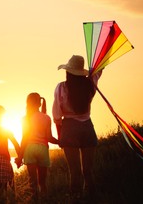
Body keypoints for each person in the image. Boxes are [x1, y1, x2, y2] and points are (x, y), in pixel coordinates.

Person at [52, 55, 102, 199]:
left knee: (74, 171)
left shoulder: (61, 87)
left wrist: (60, 133)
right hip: (87, 127)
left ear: (68, 71)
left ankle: (75, 198)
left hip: (69, 128)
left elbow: (57, 115)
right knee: (88, 170)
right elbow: (99, 70)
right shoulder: (90, 84)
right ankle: (92, 198)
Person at [15, 93, 58, 200]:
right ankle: (44, 200)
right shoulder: (47, 118)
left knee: (32, 182)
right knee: (42, 183)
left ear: (28, 103)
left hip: (29, 149)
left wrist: (20, 156)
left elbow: (24, 138)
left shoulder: (25, 118)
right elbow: (49, 137)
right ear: (40, 103)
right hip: (43, 149)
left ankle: (34, 201)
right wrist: (60, 142)